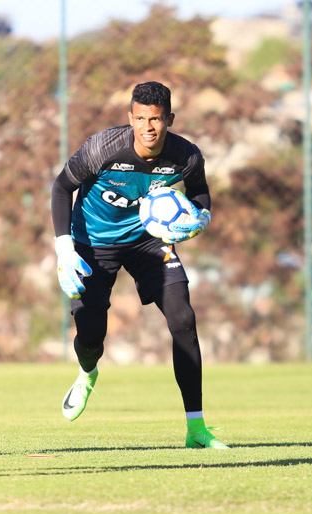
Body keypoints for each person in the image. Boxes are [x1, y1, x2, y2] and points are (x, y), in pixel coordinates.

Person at [50, 81, 228, 449]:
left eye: (157, 119)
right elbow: (60, 188)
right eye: (141, 118)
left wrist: (202, 216)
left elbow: (199, 191)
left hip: (149, 241)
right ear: (131, 118)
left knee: (183, 319)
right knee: (90, 334)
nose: (149, 127)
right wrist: (64, 247)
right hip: (92, 243)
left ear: (169, 120)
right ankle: (87, 373)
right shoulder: (102, 149)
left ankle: (196, 429)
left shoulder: (186, 156)